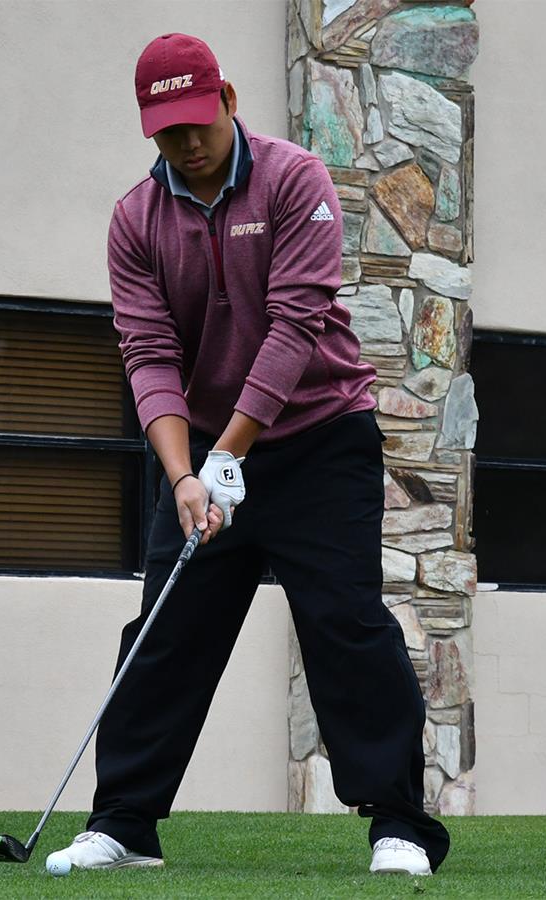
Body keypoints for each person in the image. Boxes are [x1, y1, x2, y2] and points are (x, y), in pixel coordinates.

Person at [45, 33, 451, 877]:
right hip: (201, 451)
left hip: (321, 441)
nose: (188, 145)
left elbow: (294, 326)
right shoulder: (135, 221)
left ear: (228, 100)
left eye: (199, 122)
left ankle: (401, 826)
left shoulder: (295, 180)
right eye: (168, 132)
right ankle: (124, 823)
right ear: (149, 131)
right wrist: (187, 474)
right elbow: (147, 354)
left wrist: (230, 452)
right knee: (166, 628)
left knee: (344, 624)